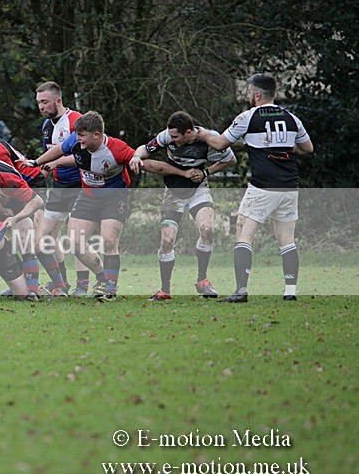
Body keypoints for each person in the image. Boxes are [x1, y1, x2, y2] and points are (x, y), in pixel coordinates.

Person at [198, 73, 313, 302]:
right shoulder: (291, 118)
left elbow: (220, 143)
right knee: (287, 240)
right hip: (289, 186)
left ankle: (241, 291)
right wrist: (284, 150)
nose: (249, 95)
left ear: (257, 94)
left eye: (250, 92)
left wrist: (202, 134)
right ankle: (290, 292)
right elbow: (307, 148)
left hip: (263, 186)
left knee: (243, 233)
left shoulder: (248, 117)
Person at [129, 111, 237, 300]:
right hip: (173, 193)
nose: (172, 140)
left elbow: (231, 159)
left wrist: (206, 172)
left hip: (199, 191)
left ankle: (202, 281)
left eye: (176, 136)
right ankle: (165, 290)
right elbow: (144, 150)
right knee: (168, 240)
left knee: (207, 229)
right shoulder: (166, 137)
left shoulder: (209, 139)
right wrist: (137, 157)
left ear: (188, 132)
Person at [40, 111, 134, 300]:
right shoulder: (76, 142)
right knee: (75, 243)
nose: (77, 138)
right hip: (88, 195)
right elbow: (66, 153)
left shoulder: (117, 148)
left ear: (96, 135)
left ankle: (110, 289)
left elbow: (138, 158)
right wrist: (42, 162)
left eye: (82, 135)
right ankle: (102, 278)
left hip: (114, 196)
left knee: (108, 240)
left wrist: (139, 159)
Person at [0, 157, 66, 299]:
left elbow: (37, 201)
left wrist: (16, 218)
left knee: (31, 243)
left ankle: (48, 289)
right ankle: (18, 285)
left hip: (22, 208)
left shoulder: (10, 181)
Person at [26, 81, 88, 295]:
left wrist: (56, 163)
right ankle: (60, 282)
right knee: (46, 237)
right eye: (38, 103)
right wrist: (37, 175)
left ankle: (83, 285)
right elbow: (47, 160)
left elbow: (83, 156)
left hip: (81, 185)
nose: (41, 107)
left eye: (45, 102)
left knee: (77, 237)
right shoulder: (46, 126)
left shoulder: (76, 121)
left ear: (58, 101)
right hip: (59, 186)